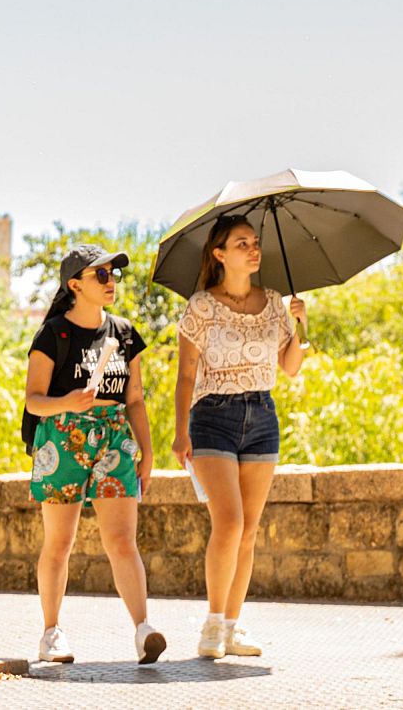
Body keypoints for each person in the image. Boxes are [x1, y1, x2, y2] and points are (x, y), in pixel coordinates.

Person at [172, 215, 307, 659]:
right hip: (213, 415)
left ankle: (232, 626)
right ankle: (211, 625)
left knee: (248, 530)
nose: (253, 249)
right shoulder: (201, 306)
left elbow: (289, 368)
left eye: (255, 242)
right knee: (228, 523)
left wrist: (299, 325)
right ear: (219, 254)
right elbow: (186, 375)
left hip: (263, 415)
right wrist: (179, 432)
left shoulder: (273, 303)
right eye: (242, 243)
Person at [25, 244, 165, 665]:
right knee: (60, 542)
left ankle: (143, 630)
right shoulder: (53, 335)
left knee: (123, 540)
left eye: (113, 275)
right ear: (75, 285)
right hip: (62, 438)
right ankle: (51, 633)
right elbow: (34, 400)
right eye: (100, 275)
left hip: (114, 437)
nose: (110, 282)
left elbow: (135, 398)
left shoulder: (124, 332)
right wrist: (68, 400)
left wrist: (147, 450)